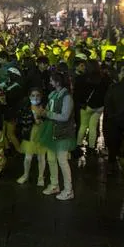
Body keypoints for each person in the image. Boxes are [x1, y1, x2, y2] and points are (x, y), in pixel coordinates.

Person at [39, 71, 76, 200]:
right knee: (51, 159)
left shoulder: (67, 97)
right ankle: (54, 184)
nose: (50, 82)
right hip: (52, 130)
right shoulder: (53, 94)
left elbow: (65, 116)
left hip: (63, 132)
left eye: (51, 80)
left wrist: (48, 114)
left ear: (57, 82)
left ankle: (68, 189)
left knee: (62, 160)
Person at [16, 88, 47, 186]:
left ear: (41, 96)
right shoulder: (26, 107)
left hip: (41, 134)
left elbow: (48, 119)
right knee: (28, 157)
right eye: (33, 95)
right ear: (29, 97)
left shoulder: (44, 107)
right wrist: (33, 119)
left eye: (37, 95)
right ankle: (25, 175)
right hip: (30, 134)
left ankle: (41, 177)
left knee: (41, 157)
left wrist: (42, 119)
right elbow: (22, 120)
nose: (35, 97)